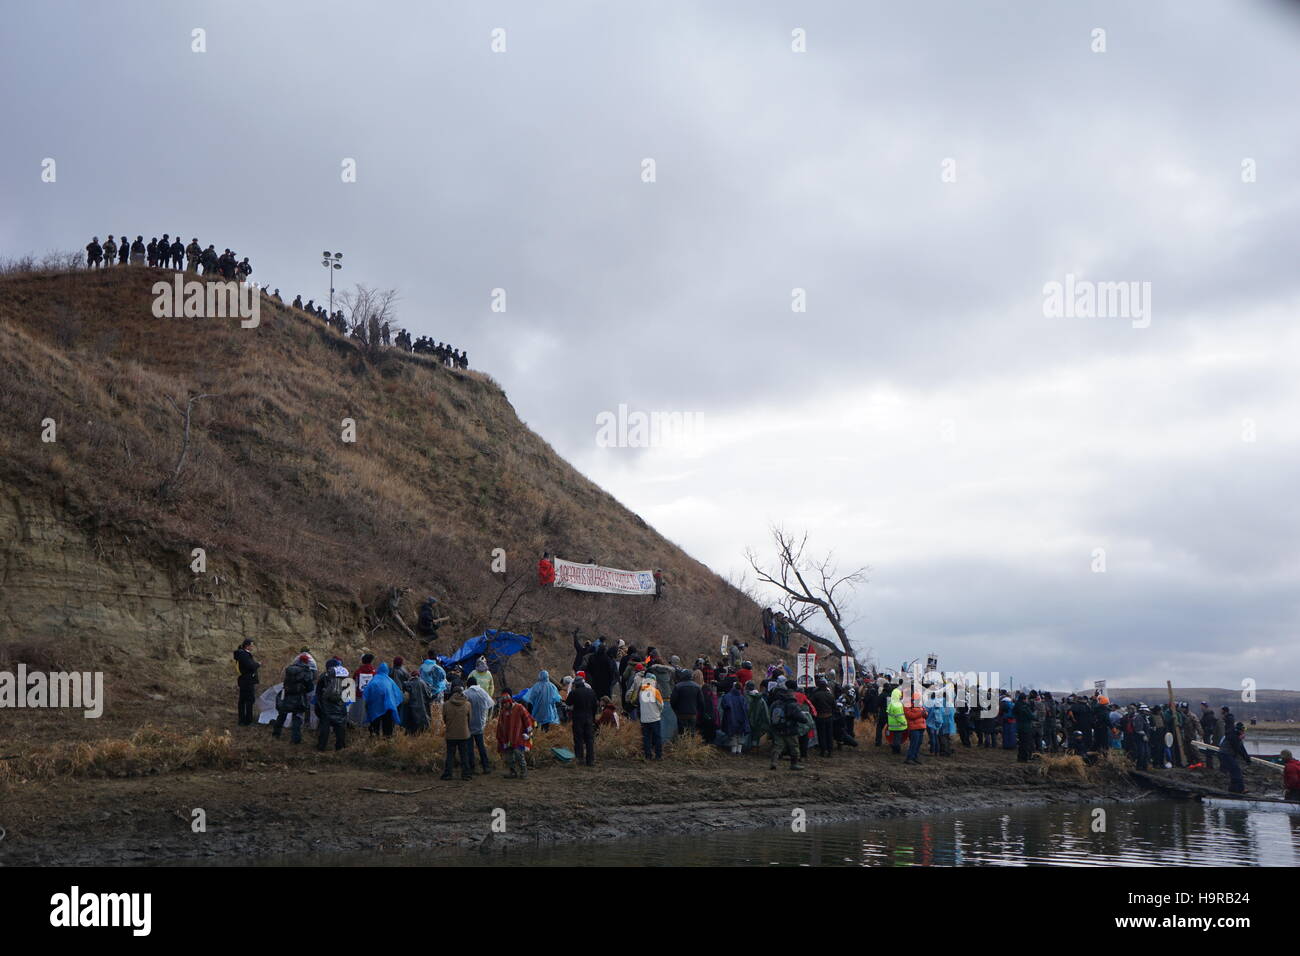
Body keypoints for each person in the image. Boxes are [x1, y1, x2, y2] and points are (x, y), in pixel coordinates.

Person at [272, 653, 315, 744]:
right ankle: (295, 740)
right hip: (299, 698)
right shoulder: (307, 671)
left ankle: (275, 735)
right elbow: (310, 687)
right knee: (297, 718)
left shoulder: (289, 669)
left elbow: (284, 682)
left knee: (281, 716)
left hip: (287, 695)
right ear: (307, 662)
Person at [767, 681, 805, 770]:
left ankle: (774, 762)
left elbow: (770, 714)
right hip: (790, 729)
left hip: (777, 728)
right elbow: (801, 717)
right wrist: (804, 720)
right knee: (794, 747)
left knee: (777, 746)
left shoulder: (776, 703)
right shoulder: (792, 704)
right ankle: (794, 764)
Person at [314, 658, 350, 751]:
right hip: (341, 708)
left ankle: (321, 747)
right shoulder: (345, 677)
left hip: (326, 708)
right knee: (340, 730)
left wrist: (318, 708)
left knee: (324, 730)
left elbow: (318, 694)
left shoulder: (323, 677)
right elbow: (349, 696)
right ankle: (340, 748)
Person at [440, 684, 474, 781]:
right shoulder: (467, 704)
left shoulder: (446, 704)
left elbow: (444, 719)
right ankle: (466, 774)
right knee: (464, 755)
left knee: (450, 755)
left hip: (451, 733)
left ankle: (448, 774)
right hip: (464, 733)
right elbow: (470, 719)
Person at [496, 693, 534, 778]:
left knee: (518, 753)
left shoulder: (519, 708)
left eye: (506, 703)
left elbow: (527, 719)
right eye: (503, 704)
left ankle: (524, 771)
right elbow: (500, 724)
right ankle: (512, 772)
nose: (505, 705)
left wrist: (529, 733)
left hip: (519, 736)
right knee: (509, 755)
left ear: (510, 701)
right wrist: (501, 736)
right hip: (507, 737)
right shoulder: (503, 711)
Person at [362, 662, 403, 737]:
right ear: (387, 670)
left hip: (375, 707)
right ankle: (387, 739)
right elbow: (397, 694)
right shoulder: (390, 681)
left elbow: (366, 693)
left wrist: (368, 704)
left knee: (375, 725)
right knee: (387, 726)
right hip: (388, 707)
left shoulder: (373, 681)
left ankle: (374, 738)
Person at [567, 674, 598, 766]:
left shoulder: (574, 692)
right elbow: (595, 706)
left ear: (576, 684)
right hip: (589, 717)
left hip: (578, 718)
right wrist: (593, 716)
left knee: (578, 739)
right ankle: (590, 760)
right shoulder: (591, 692)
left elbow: (568, 703)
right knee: (589, 739)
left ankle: (580, 759)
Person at [465, 680, 495, 773]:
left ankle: (472, 767)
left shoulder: (466, 693)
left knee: (469, 747)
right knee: (481, 746)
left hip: (468, 724)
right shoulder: (483, 692)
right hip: (480, 723)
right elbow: (491, 704)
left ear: (468, 684)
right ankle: (486, 766)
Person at [637, 676, 666, 760]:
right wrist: (658, 712)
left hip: (644, 719)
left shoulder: (640, 692)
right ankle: (658, 755)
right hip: (655, 718)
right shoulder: (655, 691)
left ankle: (648, 755)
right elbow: (661, 705)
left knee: (646, 738)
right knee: (657, 737)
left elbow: (639, 703)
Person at [233, 639, 260, 726]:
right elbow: (250, 666)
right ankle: (248, 721)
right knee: (249, 700)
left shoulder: (241, 654)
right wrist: (258, 664)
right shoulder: (244, 655)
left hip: (243, 680)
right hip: (247, 681)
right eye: (251, 645)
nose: (252, 647)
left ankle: (242, 720)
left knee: (242, 701)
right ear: (247, 646)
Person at [670, 670, 704, 737]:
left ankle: (682, 745)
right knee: (692, 732)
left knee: (682, 732)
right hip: (692, 713)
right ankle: (690, 745)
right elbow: (701, 702)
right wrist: (698, 711)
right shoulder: (697, 687)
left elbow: (672, 701)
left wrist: (676, 710)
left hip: (681, 713)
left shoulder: (678, 686)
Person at [720, 682, 749, 754]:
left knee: (733, 735)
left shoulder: (727, 696)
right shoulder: (742, 697)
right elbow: (746, 708)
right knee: (740, 734)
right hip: (742, 718)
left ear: (733, 687)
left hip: (731, 718)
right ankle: (739, 750)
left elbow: (724, 706)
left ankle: (733, 750)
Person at [810, 678, 836, 758]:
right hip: (829, 716)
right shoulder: (830, 695)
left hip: (819, 717)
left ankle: (822, 751)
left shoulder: (816, 695)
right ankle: (830, 751)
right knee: (829, 734)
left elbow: (811, 705)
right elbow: (834, 706)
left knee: (821, 734)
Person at [904, 692, 927, 764]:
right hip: (914, 728)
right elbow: (909, 715)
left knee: (918, 743)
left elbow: (925, 713)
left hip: (921, 727)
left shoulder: (920, 705)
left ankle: (914, 757)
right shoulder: (907, 705)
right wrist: (921, 713)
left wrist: (925, 713)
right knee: (914, 743)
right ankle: (909, 758)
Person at [886, 685, 907, 754]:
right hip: (898, 725)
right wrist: (904, 722)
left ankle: (894, 750)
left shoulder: (891, 703)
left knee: (894, 738)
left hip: (892, 725)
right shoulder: (897, 705)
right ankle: (896, 751)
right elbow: (899, 716)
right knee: (897, 739)